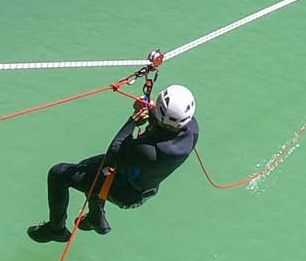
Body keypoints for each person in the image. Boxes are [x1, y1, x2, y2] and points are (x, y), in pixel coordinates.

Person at [28, 84, 199, 242]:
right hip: (140, 183)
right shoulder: (192, 130)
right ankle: (96, 218)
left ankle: (56, 230)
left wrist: (133, 120)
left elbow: (114, 151)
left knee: (59, 174)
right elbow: (165, 126)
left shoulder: (149, 152)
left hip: (123, 189)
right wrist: (148, 109)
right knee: (87, 168)